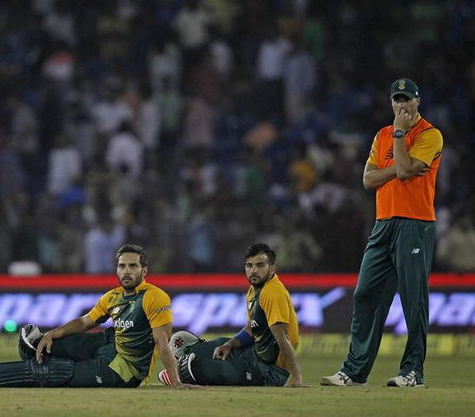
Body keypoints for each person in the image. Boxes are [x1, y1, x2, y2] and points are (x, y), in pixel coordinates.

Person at [321, 78, 443, 388]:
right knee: (365, 294)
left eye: (406, 99)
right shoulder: (382, 135)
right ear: (391, 103)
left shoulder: (430, 135)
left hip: (415, 223)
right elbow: (368, 180)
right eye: (396, 100)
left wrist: (400, 136)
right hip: (384, 222)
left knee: (413, 300)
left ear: (418, 101)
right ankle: (355, 371)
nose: (401, 105)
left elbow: (401, 170)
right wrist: (395, 163)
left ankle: (413, 371)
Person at [0, 244, 196, 389]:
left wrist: (175, 381)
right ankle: (36, 348)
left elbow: (162, 343)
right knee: (46, 343)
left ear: (144, 270)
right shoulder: (113, 296)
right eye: (122, 266)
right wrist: (53, 333)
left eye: (133, 266)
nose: (126, 271)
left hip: (124, 371)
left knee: (53, 372)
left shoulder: (155, 297)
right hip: (109, 347)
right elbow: (85, 322)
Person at [159, 243, 303, 387]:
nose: (253, 270)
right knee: (197, 343)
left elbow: (282, 337)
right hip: (254, 354)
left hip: (270, 371)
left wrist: (295, 376)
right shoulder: (254, 291)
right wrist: (229, 344)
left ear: (271, 269)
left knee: (205, 369)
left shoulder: (272, 292)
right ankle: (185, 365)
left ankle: (185, 372)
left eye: (260, 265)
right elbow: (252, 328)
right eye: (249, 265)